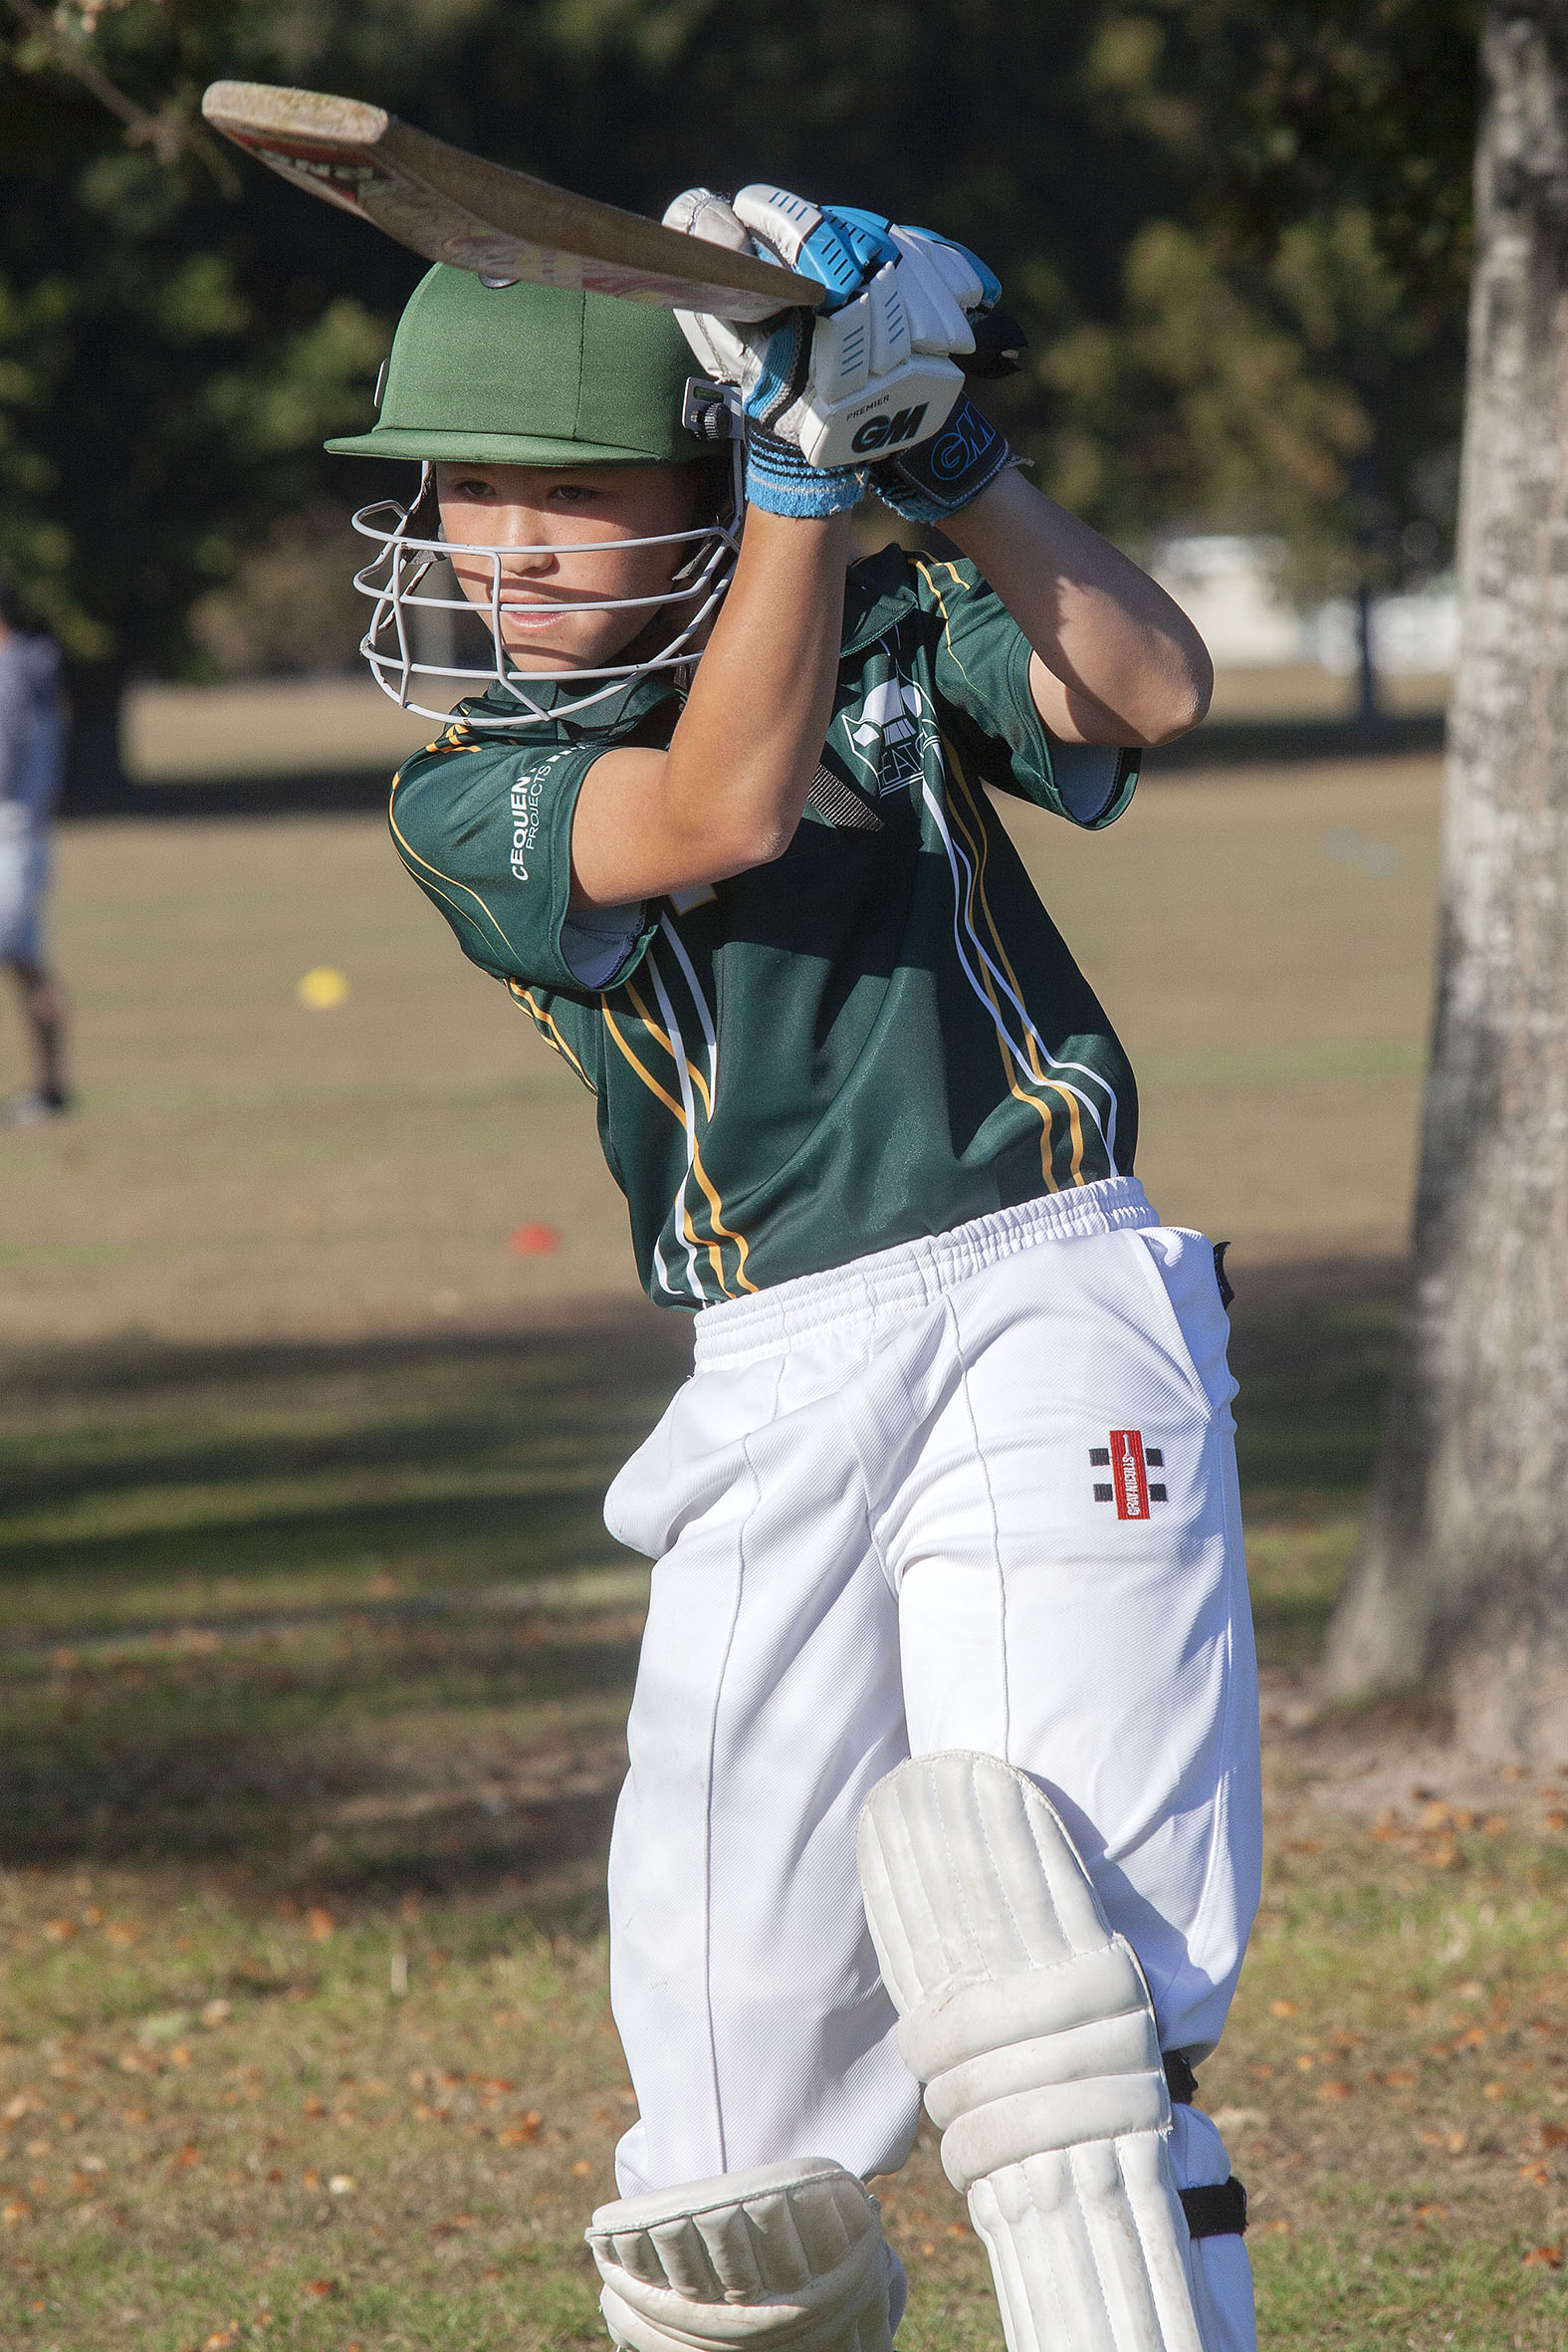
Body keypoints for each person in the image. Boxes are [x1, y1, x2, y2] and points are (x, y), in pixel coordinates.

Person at [327, 189, 1260, 2352]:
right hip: (771, 1379)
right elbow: (722, 810)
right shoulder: (473, 798)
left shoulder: (891, 635)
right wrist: (798, 486)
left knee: (1077, 2026)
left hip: (1051, 1291)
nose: (498, 543)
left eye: (568, 490)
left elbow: (1150, 680)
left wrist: (952, 462)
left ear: (693, 472)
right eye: (467, 489)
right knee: (727, 2185)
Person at [0, 575, 70, 1124]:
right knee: (22, 960)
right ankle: (48, 1090)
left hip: (11, 831)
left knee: (18, 957)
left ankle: (50, 1090)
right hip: (18, 832)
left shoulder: (19, 669)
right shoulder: (29, 665)